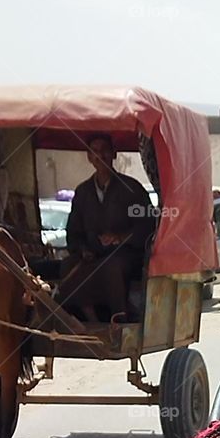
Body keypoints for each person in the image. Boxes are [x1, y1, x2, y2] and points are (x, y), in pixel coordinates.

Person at [59, 134, 156, 321]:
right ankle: (88, 318)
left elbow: (148, 224)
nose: (100, 156)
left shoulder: (132, 188)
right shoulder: (83, 192)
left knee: (112, 267)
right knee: (67, 266)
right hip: (93, 256)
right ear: (89, 157)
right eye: (94, 151)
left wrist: (120, 237)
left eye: (105, 150)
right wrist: (83, 249)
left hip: (127, 255)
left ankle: (119, 318)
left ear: (114, 154)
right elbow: (73, 232)